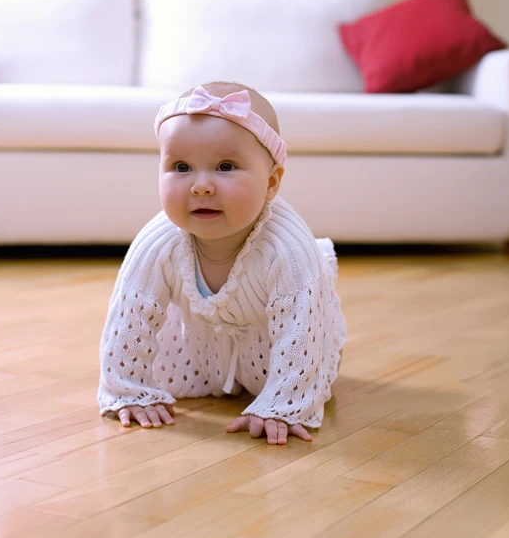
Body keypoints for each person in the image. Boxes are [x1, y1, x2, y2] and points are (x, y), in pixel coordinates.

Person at [97, 81, 347, 445]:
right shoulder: (159, 241)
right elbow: (130, 314)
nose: (201, 186)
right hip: (201, 355)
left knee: (311, 347)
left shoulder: (288, 248)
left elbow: (301, 328)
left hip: (288, 350)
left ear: (272, 183)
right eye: (181, 166)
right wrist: (128, 390)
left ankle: (281, 390)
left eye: (225, 166)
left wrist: (284, 404)